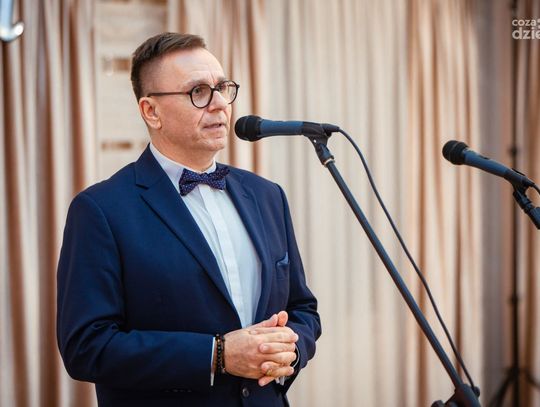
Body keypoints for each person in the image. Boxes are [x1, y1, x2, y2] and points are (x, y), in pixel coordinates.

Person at [56, 32, 321, 406]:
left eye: (222, 88)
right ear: (151, 111)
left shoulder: (267, 195)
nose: (219, 105)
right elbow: (87, 346)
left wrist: (289, 349)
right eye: (198, 92)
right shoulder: (100, 210)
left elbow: (303, 309)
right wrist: (217, 355)